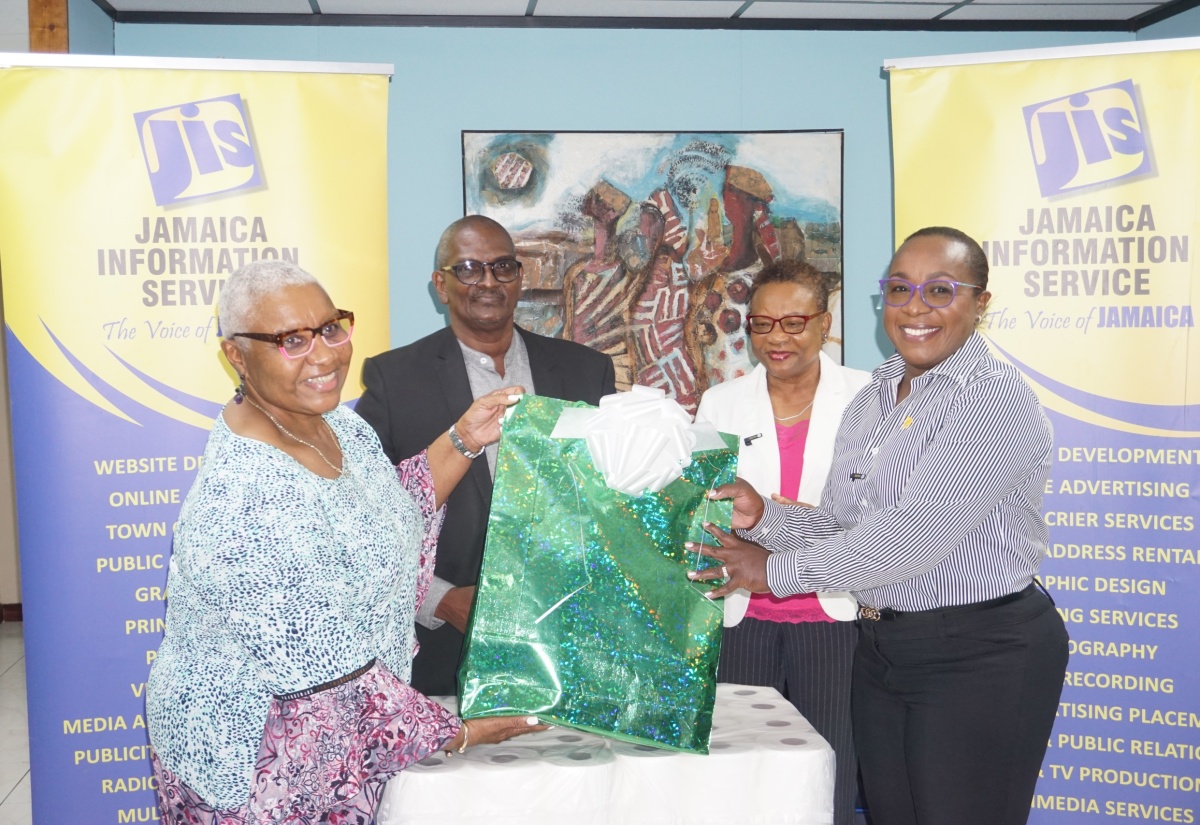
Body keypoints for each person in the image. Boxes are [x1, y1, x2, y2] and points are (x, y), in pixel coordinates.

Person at [690, 227, 1069, 825]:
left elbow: (905, 543)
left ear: (980, 303)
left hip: (977, 651)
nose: (915, 307)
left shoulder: (994, 399)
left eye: (940, 290)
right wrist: (765, 517)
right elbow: (846, 526)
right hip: (882, 647)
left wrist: (770, 569)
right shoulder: (878, 396)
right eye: (898, 289)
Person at [146, 260, 545, 824]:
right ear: (236, 355)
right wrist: (460, 733)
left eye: (332, 328)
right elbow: (331, 674)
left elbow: (387, 517)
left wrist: (464, 438)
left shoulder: (335, 424)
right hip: (260, 759)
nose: (326, 355)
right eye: (291, 340)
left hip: (339, 731)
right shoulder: (239, 503)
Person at [356, 215, 616, 696]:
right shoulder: (395, 381)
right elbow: (366, 519)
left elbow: (611, 503)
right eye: (470, 269)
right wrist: (439, 600)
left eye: (503, 267)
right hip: (443, 655)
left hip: (571, 643)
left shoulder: (587, 374)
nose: (489, 282)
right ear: (441, 284)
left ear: (520, 277)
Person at [694, 260, 869, 825]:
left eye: (794, 322)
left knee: (830, 775)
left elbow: (871, 522)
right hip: (743, 618)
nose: (777, 338)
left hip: (834, 616)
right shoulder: (721, 403)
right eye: (762, 324)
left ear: (825, 323)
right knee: (745, 778)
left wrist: (773, 520)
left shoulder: (869, 398)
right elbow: (711, 511)